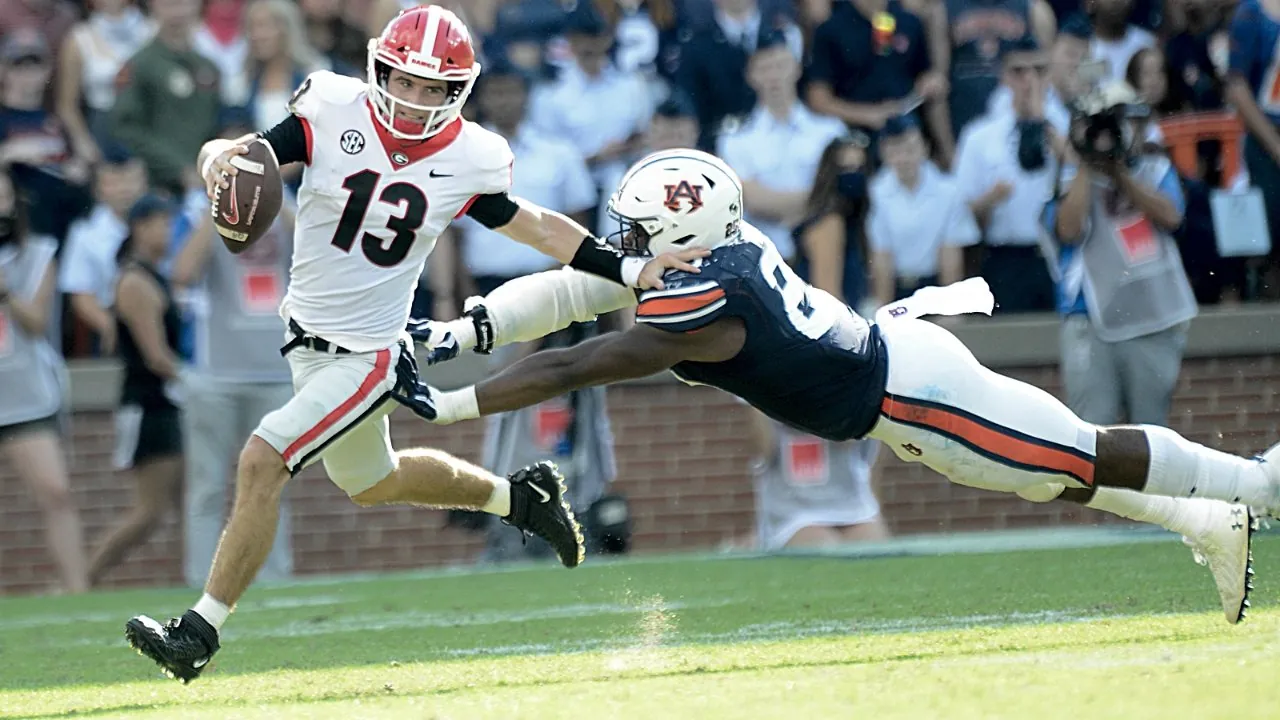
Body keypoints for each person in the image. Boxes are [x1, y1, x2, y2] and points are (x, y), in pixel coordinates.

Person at [414, 148, 1268, 632]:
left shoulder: (705, 305)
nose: (627, 245)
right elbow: (576, 286)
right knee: (1052, 475)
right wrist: (462, 333)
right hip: (898, 383)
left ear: (682, 233)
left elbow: (573, 363)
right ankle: (1203, 520)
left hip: (915, 394)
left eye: (640, 233)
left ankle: (1256, 484)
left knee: (1080, 454)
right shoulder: (724, 246)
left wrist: (451, 403)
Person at [124, 5, 702, 683]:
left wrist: (629, 268)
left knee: (263, 459)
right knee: (374, 481)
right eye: (405, 81)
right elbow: (244, 155)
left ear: (458, 91)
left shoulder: (469, 155)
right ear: (379, 70)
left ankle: (198, 633)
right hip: (306, 341)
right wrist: (216, 160)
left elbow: (538, 227)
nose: (416, 99)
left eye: (434, 88)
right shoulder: (331, 107)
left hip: (369, 354)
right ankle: (520, 500)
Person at [89, 195, 186, 586]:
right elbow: (156, 356)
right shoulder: (134, 280)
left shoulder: (158, 275)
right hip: (149, 405)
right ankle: (83, 578)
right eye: (161, 223)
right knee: (151, 510)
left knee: (188, 502)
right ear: (139, 227)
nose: (168, 231)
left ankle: (201, 579)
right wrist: (200, 382)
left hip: (168, 404)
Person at [0, 170, 89, 594]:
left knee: (55, 492)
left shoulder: (38, 253)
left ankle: (77, 592)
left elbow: (36, 322)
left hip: (24, 396)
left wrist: (5, 293)